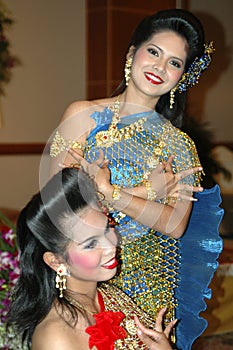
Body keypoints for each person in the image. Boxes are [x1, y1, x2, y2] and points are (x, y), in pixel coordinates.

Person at [47, 8, 224, 349]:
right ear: (132, 53)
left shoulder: (180, 145)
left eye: (174, 62)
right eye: (154, 52)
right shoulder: (81, 116)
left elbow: (174, 225)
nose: (160, 67)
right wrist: (146, 192)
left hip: (151, 288)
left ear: (182, 76)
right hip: (87, 279)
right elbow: (59, 205)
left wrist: (108, 191)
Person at [7, 167, 176, 350]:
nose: (111, 247)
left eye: (107, 229)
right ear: (56, 261)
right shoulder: (56, 337)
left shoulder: (106, 292)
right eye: (90, 244)